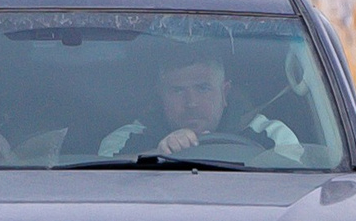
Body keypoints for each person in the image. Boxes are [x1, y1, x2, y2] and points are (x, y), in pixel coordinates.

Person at [98, 46, 298, 159]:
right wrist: (160, 154)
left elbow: (291, 189)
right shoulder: (125, 141)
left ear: (224, 93)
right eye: (177, 91)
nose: (191, 103)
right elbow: (106, 186)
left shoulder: (272, 136)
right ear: (160, 97)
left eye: (203, 88)